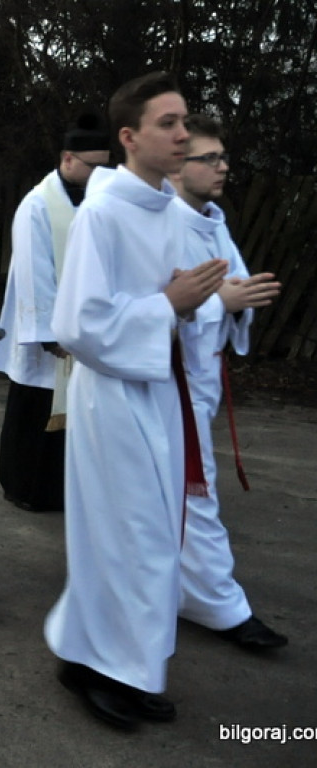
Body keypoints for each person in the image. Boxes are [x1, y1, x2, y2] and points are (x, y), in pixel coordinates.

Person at [44, 72, 230, 730]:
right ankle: (104, 669)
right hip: (117, 398)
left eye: (185, 123)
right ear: (129, 137)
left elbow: (174, 301)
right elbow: (78, 324)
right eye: (168, 124)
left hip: (161, 389)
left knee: (155, 534)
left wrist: (189, 304)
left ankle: (118, 660)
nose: (184, 134)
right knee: (131, 537)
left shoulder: (167, 209)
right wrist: (167, 306)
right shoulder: (103, 211)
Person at [170, 114, 287, 650]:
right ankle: (219, 602)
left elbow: (230, 286)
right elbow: (158, 303)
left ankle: (182, 589)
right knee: (197, 487)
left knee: (187, 489)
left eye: (223, 158)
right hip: (166, 379)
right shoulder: (160, 222)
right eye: (209, 159)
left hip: (203, 377)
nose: (223, 168)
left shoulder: (213, 221)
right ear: (178, 165)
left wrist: (238, 303)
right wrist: (223, 302)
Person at [0, 112, 111, 512]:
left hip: (86, 328)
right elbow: (31, 269)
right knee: (35, 408)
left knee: (77, 411)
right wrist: (49, 332)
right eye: (94, 166)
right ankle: (24, 487)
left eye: (106, 168)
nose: (100, 175)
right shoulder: (38, 205)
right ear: (68, 158)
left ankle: (65, 488)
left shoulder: (100, 203)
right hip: (48, 335)